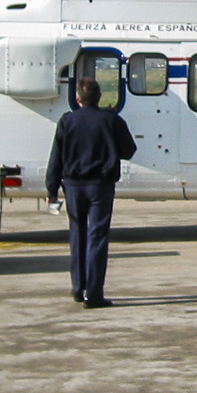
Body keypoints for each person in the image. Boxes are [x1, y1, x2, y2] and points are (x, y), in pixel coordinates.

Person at [46, 78, 137, 309]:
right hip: (100, 186)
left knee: (77, 235)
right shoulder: (112, 120)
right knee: (98, 237)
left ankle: (78, 286)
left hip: (73, 186)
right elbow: (129, 150)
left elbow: (55, 157)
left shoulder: (67, 120)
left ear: (77, 99)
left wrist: (51, 188)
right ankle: (94, 294)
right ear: (100, 97)